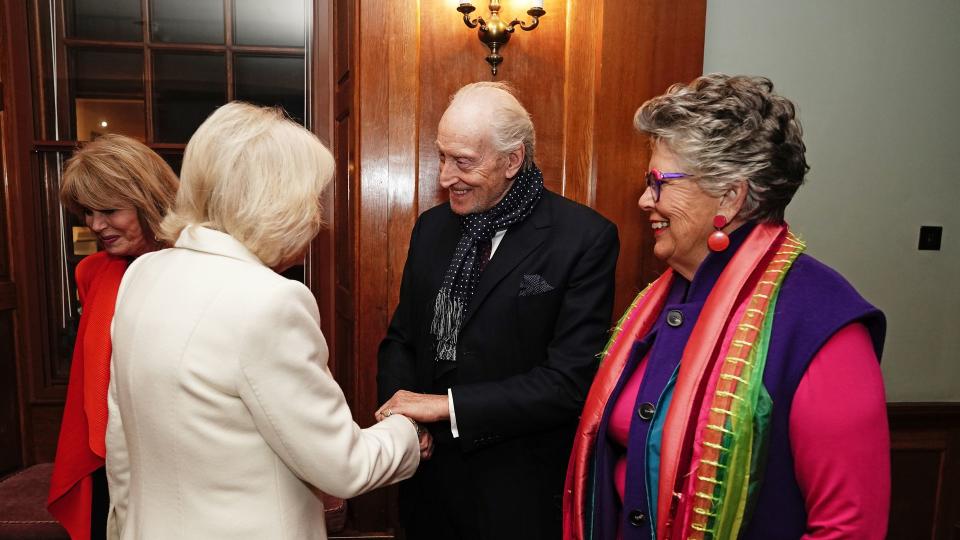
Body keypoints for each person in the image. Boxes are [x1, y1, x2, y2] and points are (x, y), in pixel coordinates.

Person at [563, 74, 890, 539]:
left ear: (730, 196)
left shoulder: (820, 320)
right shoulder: (661, 300)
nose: (644, 200)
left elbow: (850, 527)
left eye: (660, 182)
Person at [104, 102, 420, 540]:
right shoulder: (268, 303)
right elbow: (345, 466)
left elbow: (120, 438)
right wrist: (408, 431)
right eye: (310, 198)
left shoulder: (143, 275)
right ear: (274, 202)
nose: (317, 217)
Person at [376, 81, 619, 539]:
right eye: (443, 157)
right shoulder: (431, 229)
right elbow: (401, 340)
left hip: (518, 491)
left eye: (463, 161)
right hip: (428, 483)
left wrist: (445, 407)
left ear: (513, 160)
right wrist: (405, 418)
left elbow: (567, 384)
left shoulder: (583, 238)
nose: (446, 176)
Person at [48, 134, 179, 540]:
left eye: (109, 210)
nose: (95, 225)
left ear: (149, 201)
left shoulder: (195, 270)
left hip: (177, 455)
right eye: (87, 212)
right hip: (108, 455)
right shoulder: (92, 272)